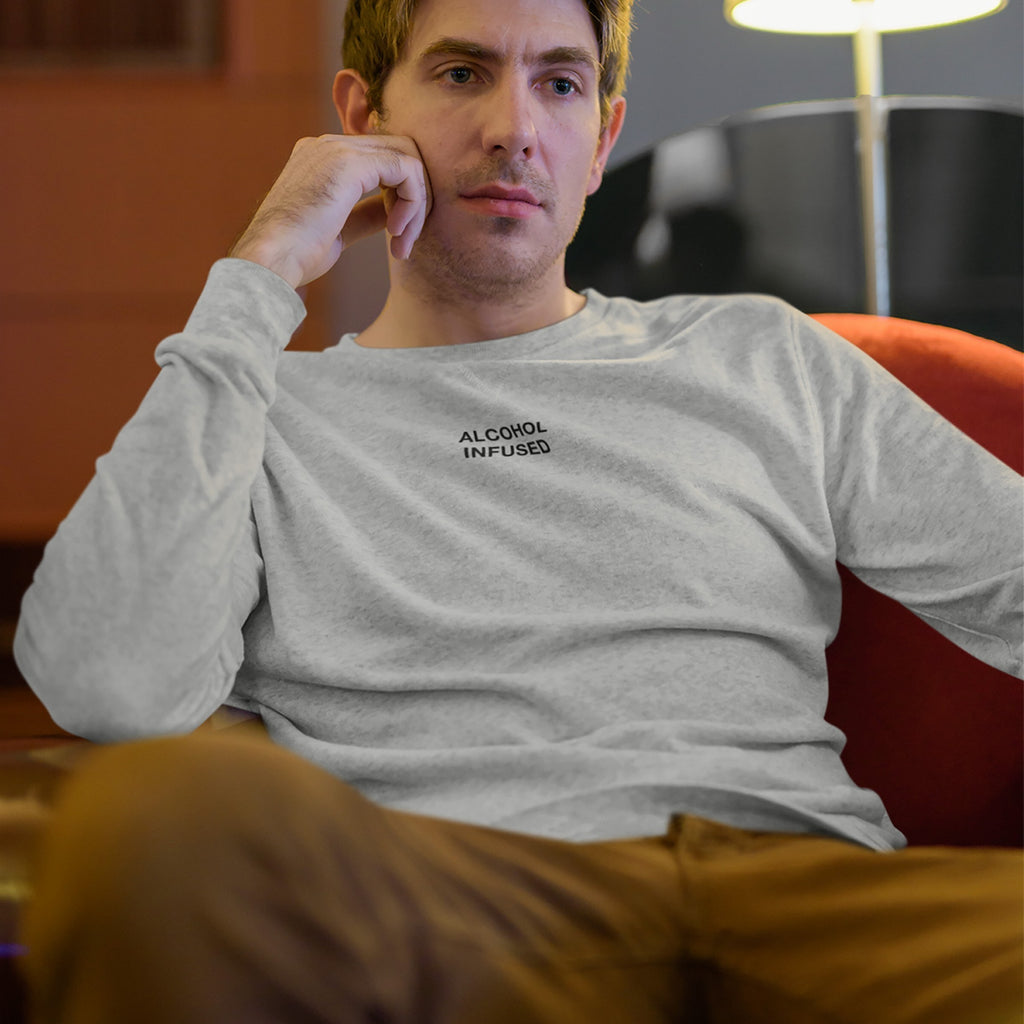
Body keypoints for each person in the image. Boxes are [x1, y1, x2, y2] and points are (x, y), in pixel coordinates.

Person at [12, 0, 1023, 1020]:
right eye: (460, 74)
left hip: (814, 889)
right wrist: (265, 262)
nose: (512, 127)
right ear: (360, 115)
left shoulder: (765, 357)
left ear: (602, 139)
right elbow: (106, 679)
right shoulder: (257, 415)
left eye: (558, 82)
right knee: (145, 817)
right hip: (456, 901)